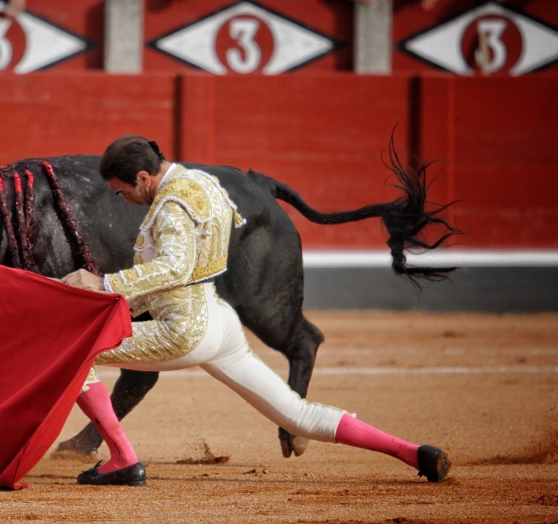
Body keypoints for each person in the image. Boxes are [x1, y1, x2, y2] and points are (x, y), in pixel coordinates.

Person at [61, 135, 451, 487]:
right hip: (220, 321)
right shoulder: (203, 183)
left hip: (182, 328)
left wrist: (105, 284)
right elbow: (188, 269)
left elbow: (174, 269)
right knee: (297, 415)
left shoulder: (171, 205)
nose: (124, 200)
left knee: (75, 350)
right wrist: (111, 304)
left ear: (143, 177)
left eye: (122, 192)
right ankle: (413, 452)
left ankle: (123, 460)